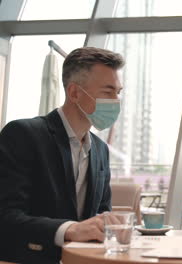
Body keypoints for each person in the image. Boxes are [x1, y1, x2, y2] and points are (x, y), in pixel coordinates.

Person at [0, 47, 125, 263]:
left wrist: (110, 225)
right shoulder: (23, 135)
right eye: (107, 91)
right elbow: (6, 216)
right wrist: (70, 230)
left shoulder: (100, 150)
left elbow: (101, 214)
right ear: (75, 92)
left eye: (118, 92)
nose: (116, 100)